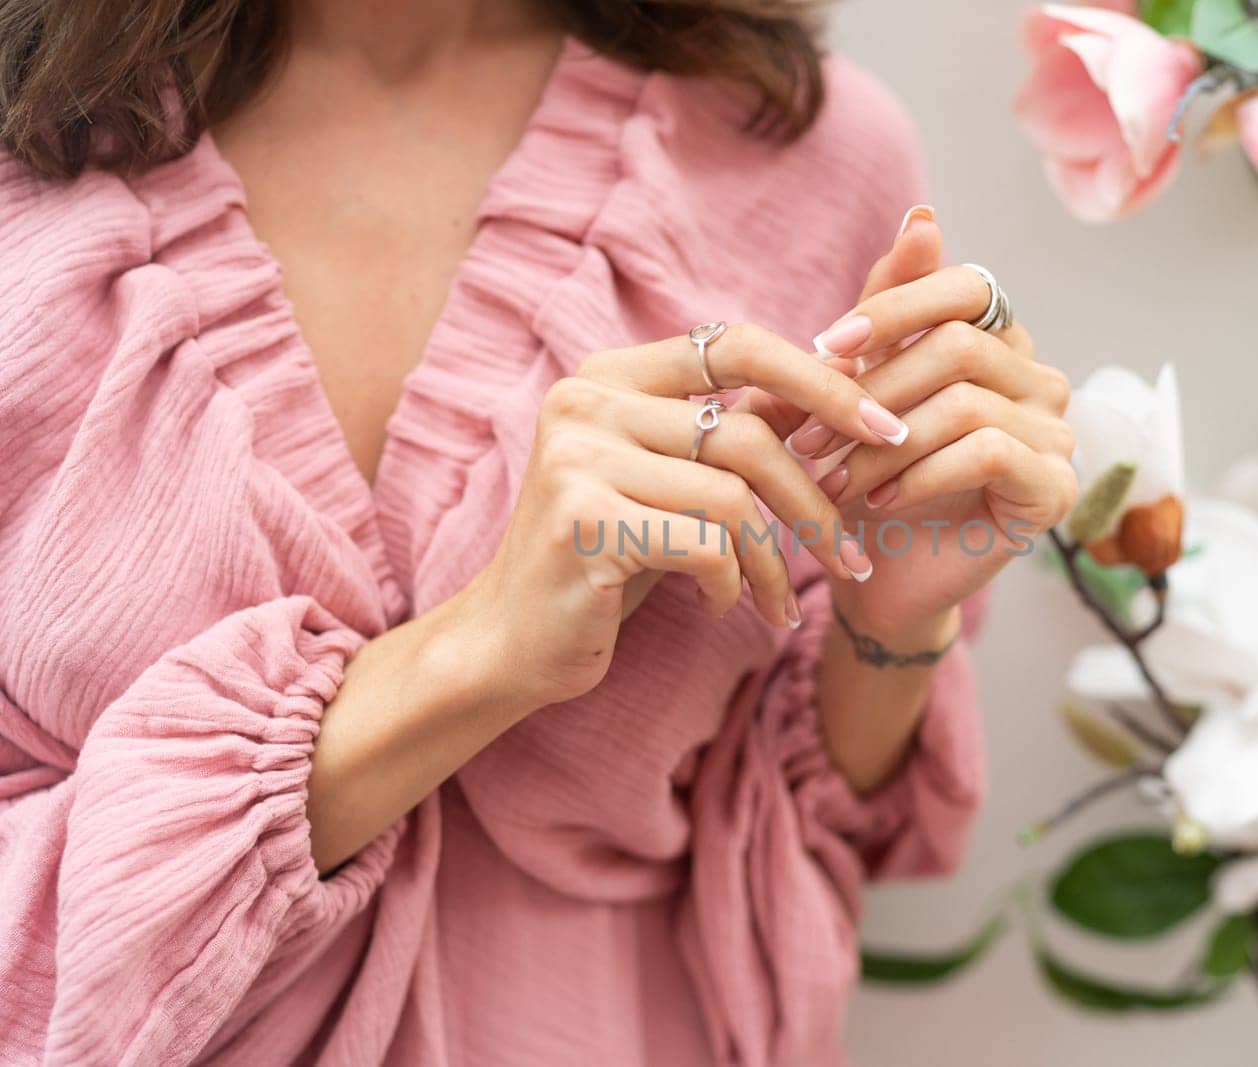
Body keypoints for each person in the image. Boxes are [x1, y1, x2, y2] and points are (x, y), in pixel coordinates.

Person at [0, 1, 1078, 1062]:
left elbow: (799, 837)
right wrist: (477, 652)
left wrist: (886, 614)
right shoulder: (24, 189)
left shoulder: (799, 141)